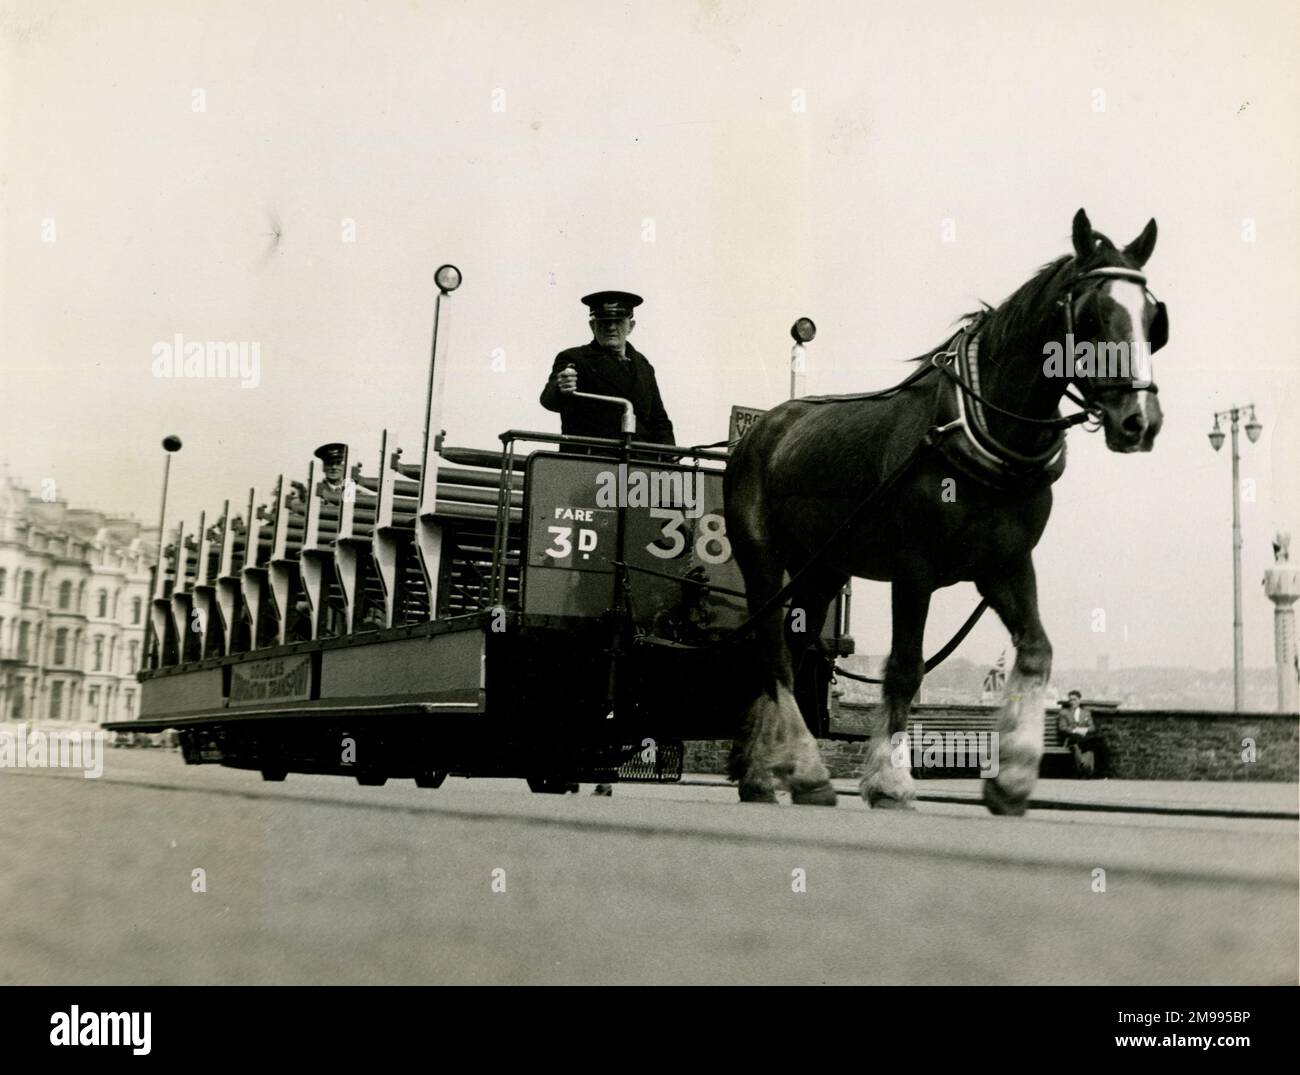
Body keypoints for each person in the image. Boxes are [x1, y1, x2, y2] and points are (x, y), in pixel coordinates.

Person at [540, 290, 676, 445]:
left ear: (631, 326)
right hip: (593, 460)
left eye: (618, 321)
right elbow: (548, 399)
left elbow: (658, 419)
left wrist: (670, 458)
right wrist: (561, 387)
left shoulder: (643, 365)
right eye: (604, 322)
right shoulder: (574, 359)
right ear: (592, 326)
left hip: (641, 462)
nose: (611, 327)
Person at [1057, 690, 1104, 777]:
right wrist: (1075, 730)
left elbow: (1092, 727)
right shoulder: (1064, 713)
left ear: (1079, 700)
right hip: (1071, 737)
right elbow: (1062, 727)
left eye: (1074, 699)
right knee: (1089, 743)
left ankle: (1084, 769)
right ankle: (1088, 770)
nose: (1072, 702)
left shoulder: (1086, 713)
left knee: (1085, 744)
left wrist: (1084, 730)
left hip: (1083, 738)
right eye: (1070, 700)